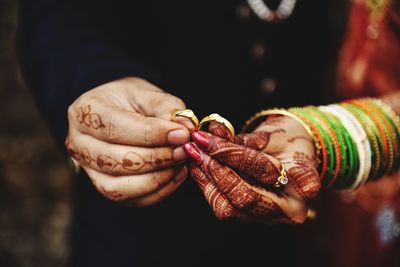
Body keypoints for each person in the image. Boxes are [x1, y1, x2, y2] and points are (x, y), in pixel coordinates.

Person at [17, 0, 400, 266]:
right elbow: (57, 14)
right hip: (144, 236)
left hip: (316, 223)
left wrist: (338, 137)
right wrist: (95, 80)